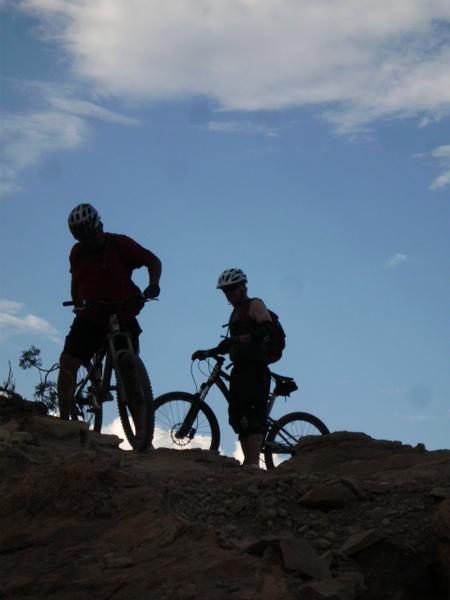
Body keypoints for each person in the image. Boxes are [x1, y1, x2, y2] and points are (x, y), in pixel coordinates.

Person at [57, 203, 162, 437]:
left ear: (99, 227)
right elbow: (77, 282)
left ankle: (143, 437)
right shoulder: (77, 253)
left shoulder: (120, 244)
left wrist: (153, 285)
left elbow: (152, 261)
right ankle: (64, 418)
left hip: (123, 313)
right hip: (90, 317)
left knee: (131, 378)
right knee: (68, 362)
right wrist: (77, 304)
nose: (90, 242)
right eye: (84, 239)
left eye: (92, 235)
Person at [192, 268, 279, 468]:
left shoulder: (254, 304)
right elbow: (230, 343)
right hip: (239, 368)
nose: (228, 294)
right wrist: (209, 351)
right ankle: (248, 462)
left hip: (255, 367)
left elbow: (268, 329)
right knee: (238, 415)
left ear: (242, 288)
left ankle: (253, 465)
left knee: (252, 414)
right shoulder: (235, 313)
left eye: (231, 289)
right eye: (225, 291)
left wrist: (243, 339)